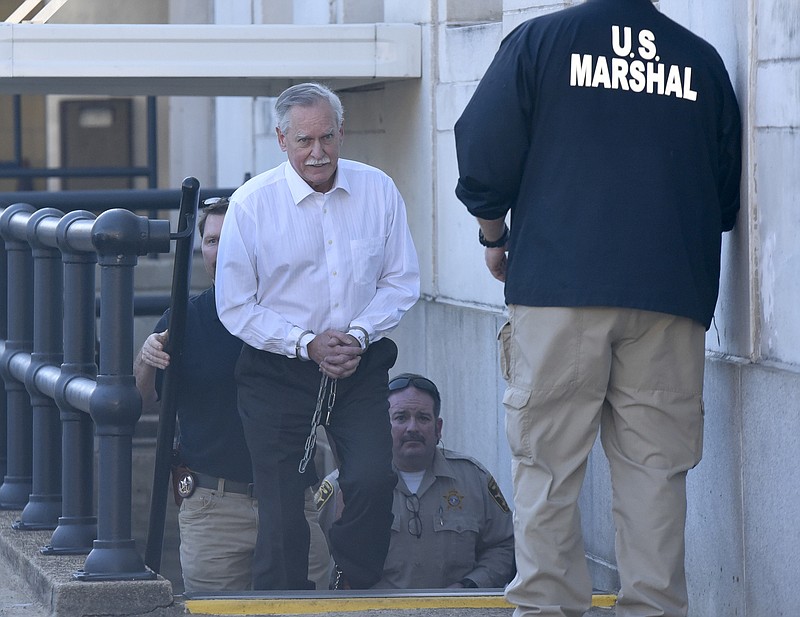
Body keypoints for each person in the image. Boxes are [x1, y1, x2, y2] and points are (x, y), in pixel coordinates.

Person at [453, 1, 742, 616]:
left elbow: (481, 147)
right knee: (656, 474)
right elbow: (724, 197)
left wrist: (493, 233)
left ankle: (549, 607)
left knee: (548, 468)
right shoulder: (700, 58)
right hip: (670, 293)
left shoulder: (541, 41)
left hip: (561, 284)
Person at [215, 82, 420, 591]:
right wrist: (305, 342)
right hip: (276, 371)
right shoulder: (251, 204)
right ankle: (283, 601)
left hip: (359, 363)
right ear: (281, 141)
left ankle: (355, 584)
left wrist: (357, 334)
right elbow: (235, 305)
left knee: (373, 479)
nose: (318, 152)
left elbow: (401, 280)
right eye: (304, 141)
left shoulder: (379, 189)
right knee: (283, 507)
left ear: (342, 132)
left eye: (327, 137)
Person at [134, 197, 330, 591]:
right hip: (213, 508)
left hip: (294, 500)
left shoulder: (299, 318)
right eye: (211, 241)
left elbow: (334, 403)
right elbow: (142, 402)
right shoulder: (183, 320)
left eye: (233, 239)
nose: (221, 251)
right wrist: (147, 358)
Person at [317, 373, 515, 590]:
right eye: (401, 417)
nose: (412, 428)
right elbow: (312, 554)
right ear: (380, 426)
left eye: (423, 418)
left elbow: (504, 546)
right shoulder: (345, 485)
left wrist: (469, 586)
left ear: (438, 428)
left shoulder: (473, 479)